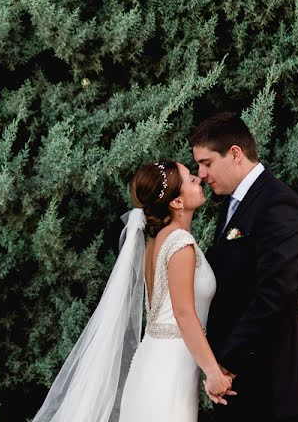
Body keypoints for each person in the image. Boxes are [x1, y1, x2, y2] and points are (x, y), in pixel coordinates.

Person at [32, 160, 234, 422]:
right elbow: (183, 315)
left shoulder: (157, 241)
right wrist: (213, 373)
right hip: (168, 373)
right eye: (189, 178)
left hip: (153, 364)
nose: (198, 179)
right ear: (176, 202)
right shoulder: (181, 243)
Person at [190, 112, 298, 421]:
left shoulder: (278, 203)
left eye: (206, 163)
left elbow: (277, 291)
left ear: (234, 154)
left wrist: (227, 362)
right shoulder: (232, 204)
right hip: (236, 383)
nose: (201, 174)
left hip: (266, 381)